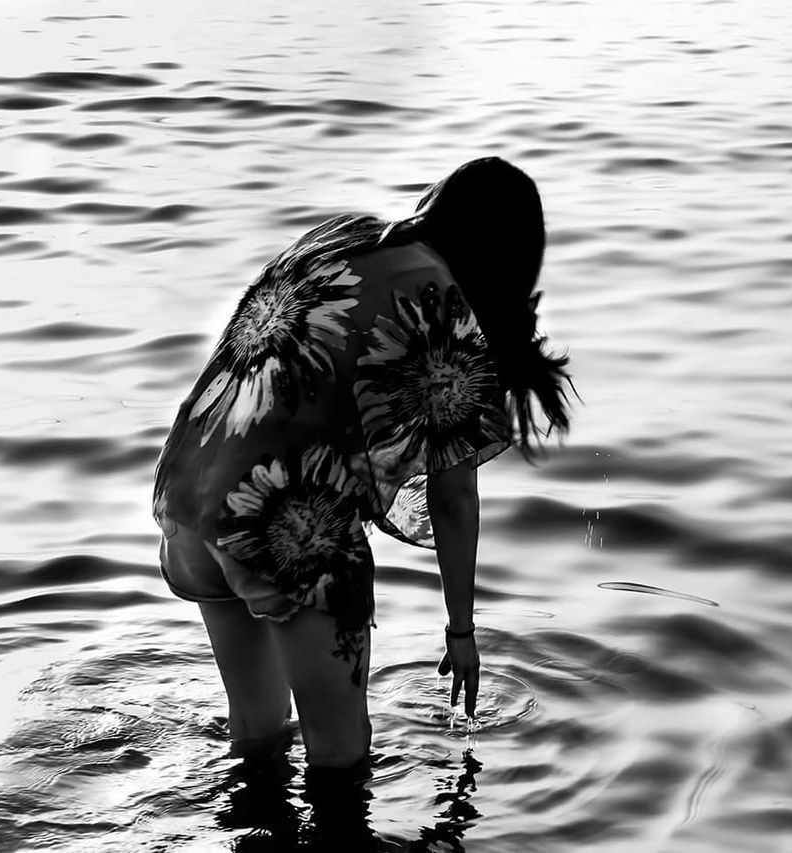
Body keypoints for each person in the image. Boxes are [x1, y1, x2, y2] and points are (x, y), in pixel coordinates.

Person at [151, 157, 573, 771]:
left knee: (257, 736)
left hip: (190, 494)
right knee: (340, 761)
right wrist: (461, 633)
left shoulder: (339, 235)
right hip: (283, 528)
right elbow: (453, 497)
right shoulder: (439, 298)